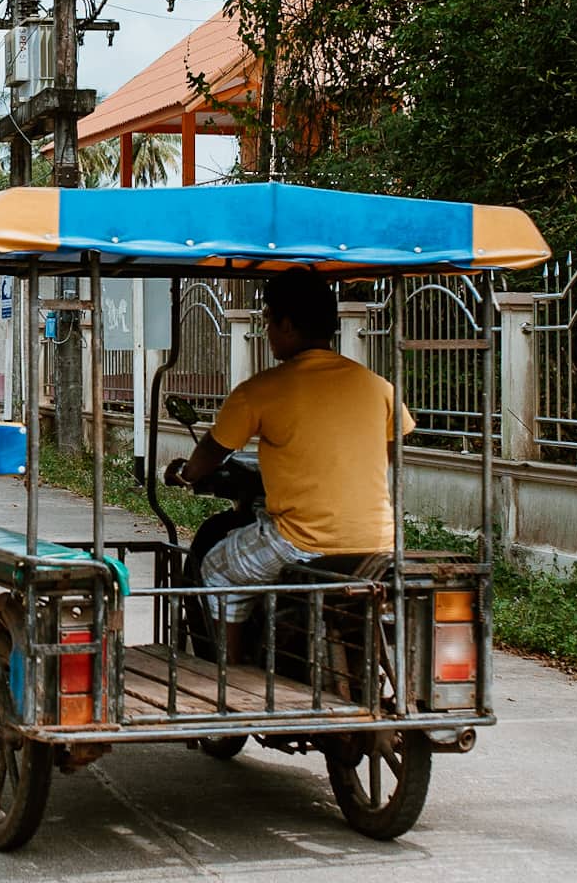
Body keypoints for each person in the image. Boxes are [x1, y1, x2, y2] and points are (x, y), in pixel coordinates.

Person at [164, 271, 413, 646]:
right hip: (378, 543)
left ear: (287, 325)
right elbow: (391, 451)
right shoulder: (378, 387)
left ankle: (228, 674)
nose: (266, 330)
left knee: (216, 568)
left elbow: (213, 450)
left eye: (268, 320)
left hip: (301, 541)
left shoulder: (261, 390)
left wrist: (186, 474)